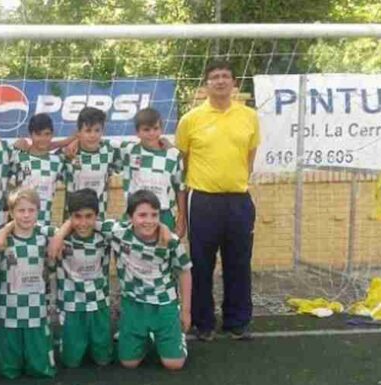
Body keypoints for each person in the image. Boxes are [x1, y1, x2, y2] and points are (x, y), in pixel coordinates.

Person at [51, 190, 190, 370]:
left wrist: (186, 310)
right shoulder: (118, 233)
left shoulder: (170, 240)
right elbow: (80, 218)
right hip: (133, 303)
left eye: (154, 215)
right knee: (128, 363)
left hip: (164, 303)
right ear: (130, 217)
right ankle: (144, 338)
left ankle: (176, 338)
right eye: (142, 215)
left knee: (174, 365)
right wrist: (59, 236)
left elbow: (185, 272)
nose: (148, 220)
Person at [175, 60, 260, 341]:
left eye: (225, 76)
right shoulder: (190, 120)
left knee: (239, 263)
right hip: (203, 201)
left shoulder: (249, 117)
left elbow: (249, 158)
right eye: (214, 77)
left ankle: (237, 321)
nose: (220, 81)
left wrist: (233, 181)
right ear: (206, 84)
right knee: (201, 264)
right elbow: (183, 164)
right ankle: (203, 323)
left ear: (234, 83)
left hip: (238, 201)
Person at [0, 189, 56, 379]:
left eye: (31, 210)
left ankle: (38, 363)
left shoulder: (44, 237)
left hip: (36, 307)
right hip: (8, 307)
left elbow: (52, 264)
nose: (26, 215)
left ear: (38, 211)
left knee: (39, 367)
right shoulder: (3, 241)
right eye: (21, 210)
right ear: (11, 212)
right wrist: (2, 233)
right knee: (8, 370)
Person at [55, 189, 113, 368]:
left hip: (99, 303)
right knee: (71, 363)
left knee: (103, 360)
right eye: (77, 217)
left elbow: (127, 226)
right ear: (70, 217)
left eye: (89, 216)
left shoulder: (105, 236)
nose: (83, 223)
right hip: (72, 305)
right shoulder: (60, 238)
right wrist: (59, 235)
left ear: (97, 216)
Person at [116, 108, 186, 236]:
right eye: (146, 130)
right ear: (137, 132)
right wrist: (77, 141)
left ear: (161, 129)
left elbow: (180, 188)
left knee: (164, 247)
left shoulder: (173, 155)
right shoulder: (129, 150)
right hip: (136, 214)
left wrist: (181, 218)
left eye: (155, 128)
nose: (152, 133)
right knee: (134, 248)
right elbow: (98, 145)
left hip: (164, 214)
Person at [62, 107, 121, 221]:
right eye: (88, 131)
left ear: (103, 131)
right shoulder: (67, 153)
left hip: (99, 216)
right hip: (73, 217)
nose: (93, 135)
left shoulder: (110, 151)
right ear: (79, 132)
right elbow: (39, 154)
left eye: (97, 130)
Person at [10, 114, 64, 226]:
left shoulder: (58, 161)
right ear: (30, 135)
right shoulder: (19, 157)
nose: (43, 139)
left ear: (52, 134)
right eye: (38, 134)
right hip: (20, 222)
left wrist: (73, 141)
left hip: (44, 223)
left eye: (47, 134)